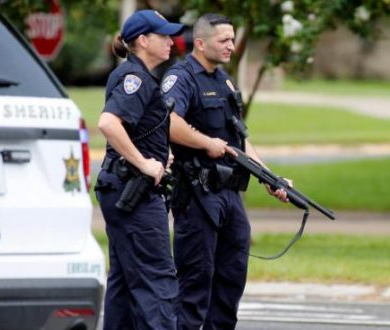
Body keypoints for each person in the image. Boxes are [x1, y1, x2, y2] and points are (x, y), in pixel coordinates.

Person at [161, 13, 290, 330]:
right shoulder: (182, 78)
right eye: (225, 40)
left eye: (233, 39)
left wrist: (270, 178)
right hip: (197, 195)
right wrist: (206, 143)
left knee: (231, 278)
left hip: (230, 196)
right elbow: (168, 122)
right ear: (201, 43)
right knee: (195, 282)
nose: (232, 45)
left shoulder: (225, 81)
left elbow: (241, 140)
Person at [95, 10, 183, 330]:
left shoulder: (140, 76)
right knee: (158, 280)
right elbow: (108, 123)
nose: (171, 41)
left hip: (123, 188)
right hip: (133, 192)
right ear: (143, 41)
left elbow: (133, 128)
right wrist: (144, 162)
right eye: (164, 36)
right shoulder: (135, 78)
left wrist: (160, 154)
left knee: (124, 280)